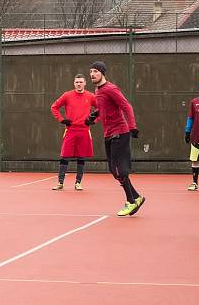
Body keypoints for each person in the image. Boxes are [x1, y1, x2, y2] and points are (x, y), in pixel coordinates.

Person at [86, 61, 145, 216]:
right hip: (109, 133)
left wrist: (132, 127)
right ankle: (136, 197)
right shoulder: (98, 90)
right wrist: (94, 116)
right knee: (114, 170)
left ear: (102, 73)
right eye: (91, 71)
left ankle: (131, 201)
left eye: (96, 71)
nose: (92, 74)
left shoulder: (111, 89)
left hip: (120, 132)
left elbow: (126, 106)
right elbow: (105, 108)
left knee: (119, 170)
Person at [50, 74, 96, 190]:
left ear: (85, 83)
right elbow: (54, 107)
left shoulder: (90, 96)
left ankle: (78, 183)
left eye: (81, 82)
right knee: (64, 156)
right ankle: (60, 183)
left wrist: (93, 120)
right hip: (70, 130)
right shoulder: (67, 95)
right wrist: (62, 119)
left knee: (81, 157)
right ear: (74, 83)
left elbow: (101, 108)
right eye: (77, 82)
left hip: (84, 131)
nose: (79, 84)